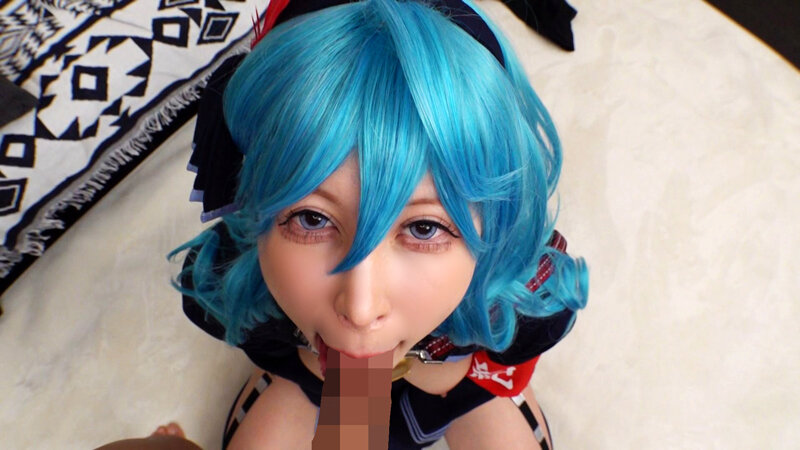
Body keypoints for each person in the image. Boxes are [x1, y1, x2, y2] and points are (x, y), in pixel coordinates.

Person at [166, 0, 587, 448]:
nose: (361, 308)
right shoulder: (233, 278)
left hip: (460, 380)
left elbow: (511, 348)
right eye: (312, 218)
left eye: (424, 228)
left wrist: (446, 367)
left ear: (496, 220)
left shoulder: (521, 300)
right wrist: (334, 374)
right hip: (312, 371)